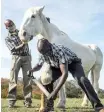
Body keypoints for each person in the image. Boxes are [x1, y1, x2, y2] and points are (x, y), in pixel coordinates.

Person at [28, 38, 104, 112]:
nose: (45, 55)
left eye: (46, 52)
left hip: (73, 63)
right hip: (56, 65)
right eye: (43, 53)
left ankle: (99, 107)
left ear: (50, 46)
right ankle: (49, 107)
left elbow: (65, 73)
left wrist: (55, 92)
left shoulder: (59, 50)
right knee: (47, 79)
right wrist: (32, 70)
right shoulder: (43, 52)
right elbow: (39, 65)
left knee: (82, 80)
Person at [4, 19, 33, 108]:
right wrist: (23, 44)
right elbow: (13, 49)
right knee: (13, 79)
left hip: (27, 57)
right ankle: (11, 102)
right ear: (6, 27)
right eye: (10, 25)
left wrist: (28, 36)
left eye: (12, 23)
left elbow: (31, 37)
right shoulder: (7, 38)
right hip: (16, 57)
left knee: (28, 79)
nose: (12, 25)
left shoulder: (21, 31)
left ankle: (28, 102)